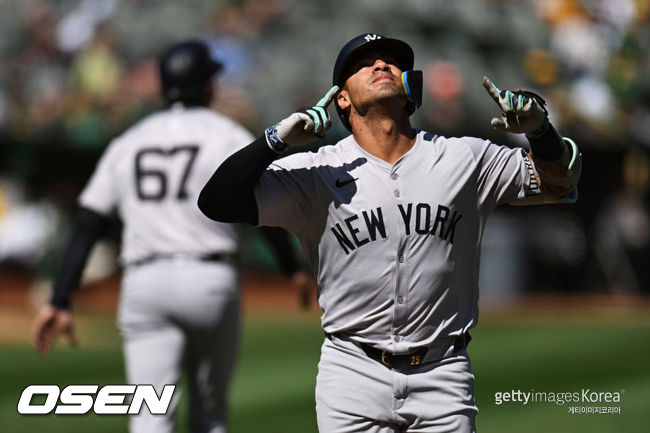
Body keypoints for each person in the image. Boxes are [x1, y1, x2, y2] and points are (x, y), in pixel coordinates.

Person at [198, 33, 581, 433]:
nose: (381, 66)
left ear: (411, 86)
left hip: (443, 373)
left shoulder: (463, 157)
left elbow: (559, 183)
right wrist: (274, 140)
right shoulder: (317, 172)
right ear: (341, 98)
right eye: (364, 64)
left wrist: (540, 131)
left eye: (392, 62)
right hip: (351, 372)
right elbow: (216, 202)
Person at [31, 39, 311, 433]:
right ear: (208, 85)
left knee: (150, 414)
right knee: (210, 415)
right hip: (210, 280)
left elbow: (89, 222)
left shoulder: (128, 141)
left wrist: (60, 298)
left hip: (145, 281)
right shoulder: (228, 135)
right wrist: (290, 266)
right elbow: (258, 212)